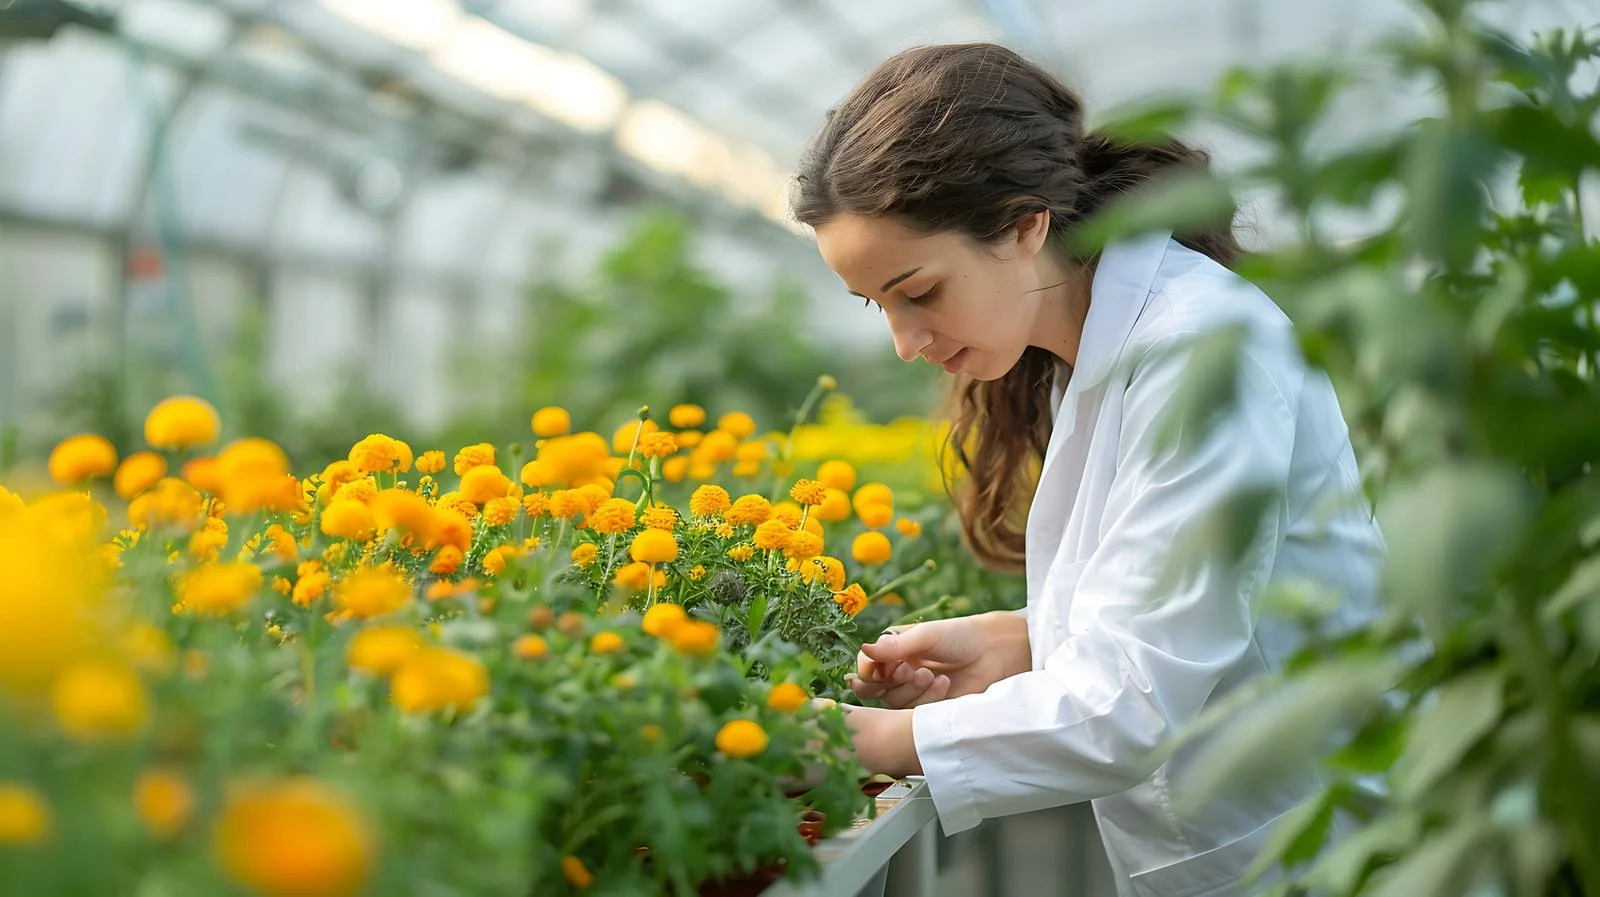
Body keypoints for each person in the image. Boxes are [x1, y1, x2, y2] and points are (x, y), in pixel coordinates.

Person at [791, 43, 1387, 897]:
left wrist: (863, 740)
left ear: (1024, 225)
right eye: (878, 303)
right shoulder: (1096, 341)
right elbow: (1198, 599)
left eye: (919, 290)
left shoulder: (1200, 349)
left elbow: (1132, 698)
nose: (905, 341)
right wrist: (1019, 643)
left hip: (1322, 854)